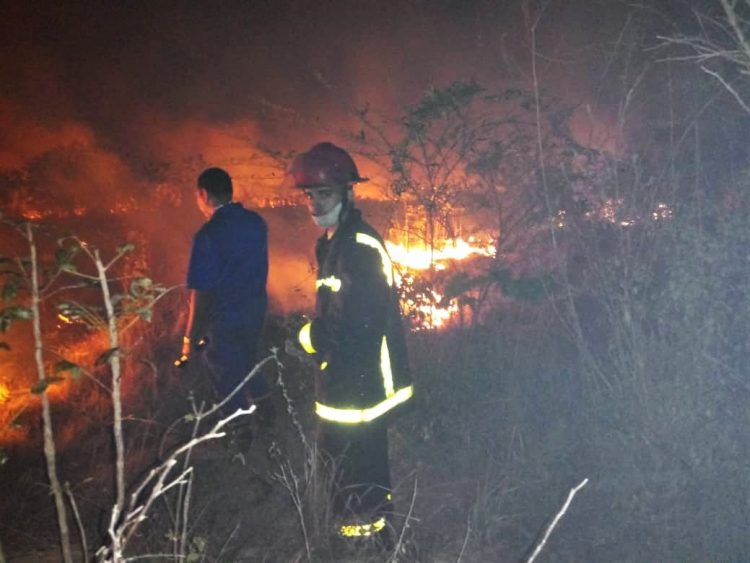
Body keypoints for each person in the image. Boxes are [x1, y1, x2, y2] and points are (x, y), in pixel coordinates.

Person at [289, 142, 414, 545]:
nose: (313, 202)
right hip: (345, 379)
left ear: (348, 192)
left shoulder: (357, 247)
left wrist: (305, 338)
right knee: (347, 467)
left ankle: (367, 544)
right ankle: (363, 537)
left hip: (362, 385)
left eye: (322, 193)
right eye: (309, 194)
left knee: (356, 467)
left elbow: (356, 325)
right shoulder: (336, 242)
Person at [178, 167, 271, 426]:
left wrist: (190, 338)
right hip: (256, 310)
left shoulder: (208, 234)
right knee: (249, 362)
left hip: (224, 319)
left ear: (203, 194)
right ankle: (269, 412)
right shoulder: (255, 223)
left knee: (224, 373)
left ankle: (239, 433)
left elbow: (202, 291)